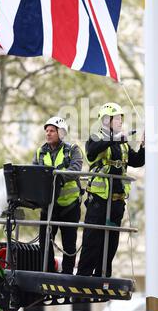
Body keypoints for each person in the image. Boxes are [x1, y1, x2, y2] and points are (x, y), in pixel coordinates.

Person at [77, 103, 145, 278]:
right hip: (99, 199)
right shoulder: (95, 137)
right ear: (106, 121)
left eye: (121, 118)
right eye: (117, 118)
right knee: (93, 239)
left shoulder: (122, 143)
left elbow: (136, 161)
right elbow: (92, 151)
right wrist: (115, 139)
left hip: (117, 200)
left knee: (112, 240)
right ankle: (84, 276)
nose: (120, 121)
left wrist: (144, 146)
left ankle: (103, 274)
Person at [33, 116, 83, 274]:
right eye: (46, 131)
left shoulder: (72, 150)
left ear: (61, 133)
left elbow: (75, 170)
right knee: (45, 242)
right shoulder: (40, 152)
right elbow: (33, 173)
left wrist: (55, 176)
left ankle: (67, 274)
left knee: (69, 245)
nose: (48, 134)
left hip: (70, 206)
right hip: (48, 206)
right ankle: (47, 272)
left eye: (52, 131)